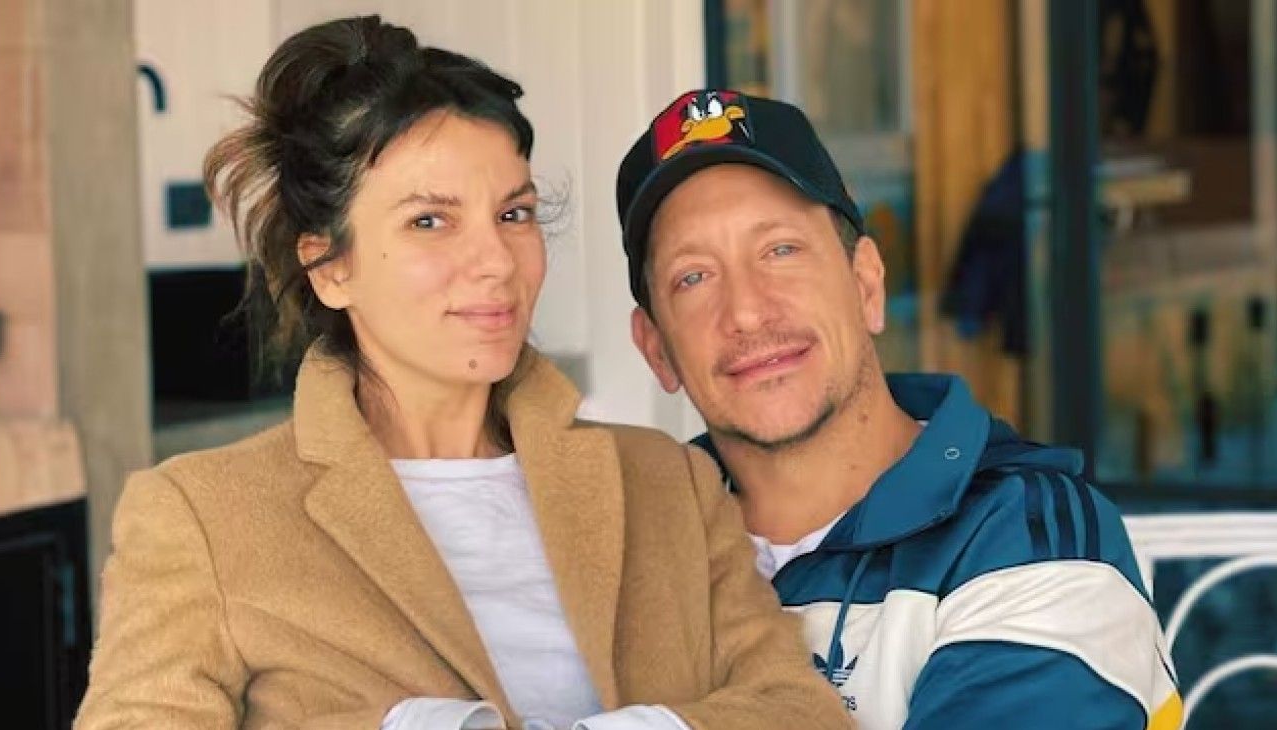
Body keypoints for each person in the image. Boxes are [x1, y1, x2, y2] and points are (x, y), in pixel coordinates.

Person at [74, 26, 851, 730]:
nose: (495, 262)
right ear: (330, 266)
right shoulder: (204, 518)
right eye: (430, 221)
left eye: (513, 214)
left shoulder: (668, 483)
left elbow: (799, 713)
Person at [616, 89, 1182, 730]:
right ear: (657, 349)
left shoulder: (1031, 539)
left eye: (781, 250)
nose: (746, 311)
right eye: (693, 277)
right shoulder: (626, 546)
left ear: (866, 284)